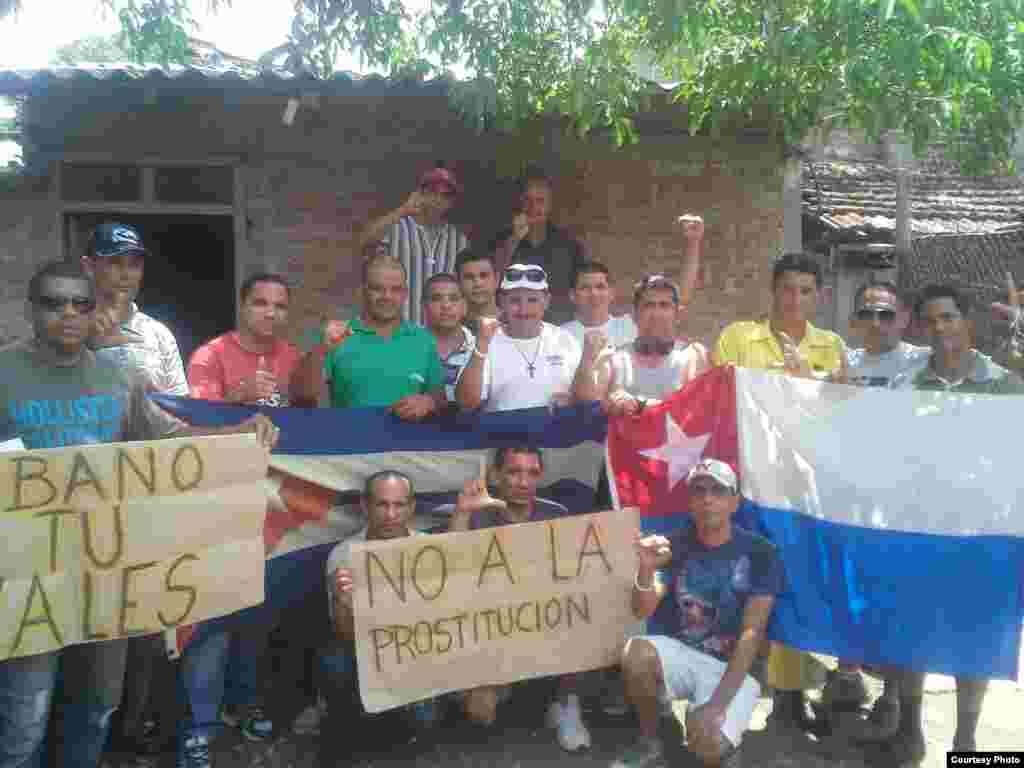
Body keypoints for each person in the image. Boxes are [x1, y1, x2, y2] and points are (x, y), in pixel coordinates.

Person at [0, 261, 278, 768]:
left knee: (97, 707)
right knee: (25, 717)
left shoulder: (118, 377)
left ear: (93, 311)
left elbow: (169, 441)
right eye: (53, 302)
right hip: (29, 576)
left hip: (108, 574)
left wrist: (238, 434)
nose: (68, 313)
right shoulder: (4, 373)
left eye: (80, 303)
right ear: (31, 308)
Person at [863, 284, 1024, 766]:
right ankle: (910, 731)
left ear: (967, 321)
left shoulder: (1003, 385)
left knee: (974, 639)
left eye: (950, 318)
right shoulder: (906, 385)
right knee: (914, 632)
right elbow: (875, 445)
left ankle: (966, 743)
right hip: (919, 529)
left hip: (983, 534)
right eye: (932, 320)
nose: (941, 328)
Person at [712, 252, 846, 731]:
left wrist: (807, 383)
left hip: (798, 487)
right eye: (787, 289)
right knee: (736, 586)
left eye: (805, 291)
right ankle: (726, 689)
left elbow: (840, 413)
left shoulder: (831, 346)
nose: (795, 299)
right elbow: (714, 400)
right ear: (772, 290)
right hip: (744, 482)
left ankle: (789, 696)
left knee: (790, 585)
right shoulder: (736, 338)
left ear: (819, 296)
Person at [183, 272, 303, 746]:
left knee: (259, 612)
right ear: (241, 305)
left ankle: (246, 704)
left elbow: (311, 418)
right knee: (211, 619)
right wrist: (236, 398)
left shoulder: (292, 359)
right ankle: (200, 725)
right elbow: (188, 426)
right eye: (260, 303)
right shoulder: (210, 355)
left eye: (278, 305)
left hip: (273, 505)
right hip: (216, 506)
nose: (269, 313)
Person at [611, 459, 782, 768]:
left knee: (707, 743)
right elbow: (641, 609)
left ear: (734, 501)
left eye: (718, 490)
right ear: (689, 502)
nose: (707, 499)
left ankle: (724, 746)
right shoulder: (675, 545)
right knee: (635, 652)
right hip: (686, 655)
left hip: (736, 668)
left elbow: (751, 633)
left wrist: (717, 705)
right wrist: (646, 569)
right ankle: (653, 741)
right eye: (699, 491)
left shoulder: (761, 553)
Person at [440, 446, 591, 751]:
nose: (524, 481)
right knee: (481, 712)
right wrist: (463, 513)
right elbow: (450, 568)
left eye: (532, 472)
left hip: (543, 620)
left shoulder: (557, 514)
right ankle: (499, 687)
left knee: (579, 612)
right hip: (491, 627)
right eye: (514, 471)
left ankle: (565, 703)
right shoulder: (477, 514)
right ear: (496, 475)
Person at [323, 470, 443, 762]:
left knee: (423, 721)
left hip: (416, 655)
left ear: (411, 507)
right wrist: (343, 601)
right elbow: (344, 635)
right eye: (382, 504)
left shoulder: (430, 552)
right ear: (365, 506)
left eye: (399, 505)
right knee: (333, 660)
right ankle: (346, 727)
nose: (391, 514)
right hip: (365, 652)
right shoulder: (344, 555)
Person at [292, 253, 446, 420]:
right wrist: (321, 350)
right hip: (351, 441)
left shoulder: (422, 339)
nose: (387, 296)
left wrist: (428, 401)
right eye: (377, 288)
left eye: (395, 289)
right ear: (362, 291)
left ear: (405, 293)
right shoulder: (339, 335)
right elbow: (301, 395)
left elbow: (440, 398)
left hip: (409, 443)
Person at [574, 273, 710, 414]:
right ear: (634, 315)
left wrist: (640, 405)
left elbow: (700, 410)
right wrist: (587, 360)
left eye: (664, 305)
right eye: (649, 305)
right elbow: (586, 405)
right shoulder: (614, 358)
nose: (656, 314)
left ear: (678, 315)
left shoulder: (693, 355)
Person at [455, 265, 581, 412]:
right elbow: (466, 402)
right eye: (515, 301)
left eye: (532, 300)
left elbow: (586, 396)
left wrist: (572, 398)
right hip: (504, 433)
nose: (524, 309)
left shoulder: (564, 339)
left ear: (546, 301)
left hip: (555, 431)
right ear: (502, 302)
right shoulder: (486, 340)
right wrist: (481, 346)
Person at [82, 222, 188, 395]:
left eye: (134, 265)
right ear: (88, 266)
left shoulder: (158, 334)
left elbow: (180, 409)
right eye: (115, 263)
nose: (126, 274)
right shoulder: (71, 326)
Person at [359, 166, 469, 325]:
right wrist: (404, 209)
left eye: (446, 195)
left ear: (452, 202)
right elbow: (365, 241)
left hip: (439, 335)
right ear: (420, 194)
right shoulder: (397, 227)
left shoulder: (458, 240)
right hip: (397, 331)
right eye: (432, 192)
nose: (438, 198)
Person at [491, 169, 586, 324]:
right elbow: (492, 282)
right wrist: (514, 240)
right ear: (519, 203)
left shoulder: (568, 245)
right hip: (515, 327)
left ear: (550, 204)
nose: (533, 207)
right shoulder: (504, 240)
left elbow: (580, 291)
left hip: (559, 328)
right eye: (528, 200)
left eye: (540, 201)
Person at [845, 280, 930, 389]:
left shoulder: (926, 361)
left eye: (886, 315)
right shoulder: (844, 365)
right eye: (866, 314)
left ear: (904, 319)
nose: (875, 323)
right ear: (854, 321)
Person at [421, 273, 475, 404]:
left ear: (464, 306)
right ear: (424, 306)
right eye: (436, 298)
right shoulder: (408, 346)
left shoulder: (480, 348)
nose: (446, 305)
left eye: (454, 298)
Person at [560, 261, 637, 349]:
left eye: (600, 287)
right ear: (572, 295)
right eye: (585, 288)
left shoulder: (631, 328)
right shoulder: (561, 336)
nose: (594, 294)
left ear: (611, 293)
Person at [454, 248, 499, 336]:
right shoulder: (448, 328)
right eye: (469, 277)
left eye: (484, 276)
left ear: (497, 279)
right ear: (457, 282)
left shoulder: (516, 323)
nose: (478, 283)